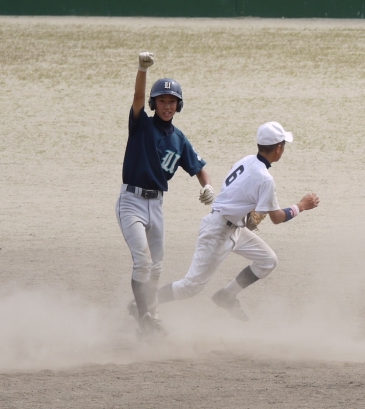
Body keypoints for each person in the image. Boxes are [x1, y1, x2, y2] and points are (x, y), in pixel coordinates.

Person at [155, 121, 320, 321]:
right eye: (283, 145)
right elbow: (277, 218)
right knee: (190, 287)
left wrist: (252, 217)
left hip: (233, 228)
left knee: (268, 260)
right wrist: (301, 206)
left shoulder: (248, 160)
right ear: (278, 149)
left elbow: (246, 208)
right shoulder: (265, 179)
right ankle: (144, 303)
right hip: (217, 232)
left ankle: (227, 295)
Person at [116, 51, 214, 337]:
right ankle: (144, 316)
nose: (167, 105)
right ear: (154, 104)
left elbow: (199, 168)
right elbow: (136, 100)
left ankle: (151, 316)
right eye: (162, 100)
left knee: (156, 266)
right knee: (143, 261)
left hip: (156, 205)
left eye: (172, 101)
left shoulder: (179, 138)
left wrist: (206, 186)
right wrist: (142, 71)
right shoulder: (142, 125)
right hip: (131, 201)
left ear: (178, 105)